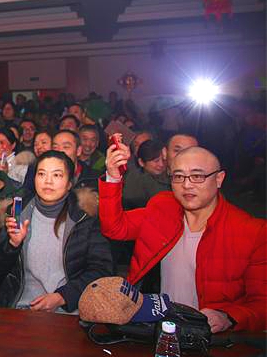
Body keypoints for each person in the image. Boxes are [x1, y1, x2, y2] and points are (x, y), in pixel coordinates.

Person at [100, 140, 266, 332]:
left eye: (197, 176)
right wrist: (113, 177)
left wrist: (228, 317)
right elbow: (115, 228)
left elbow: (262, 304)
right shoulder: (162, 207)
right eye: (178, 176)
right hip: (156, 327)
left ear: (219, 179)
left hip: (212, 337)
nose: (187, 185)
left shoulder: (252, 232)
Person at [0, 151, 112, 311]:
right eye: (41, 174)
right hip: (22, 309)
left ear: (69, 183)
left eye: (57, 175)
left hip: (68, 312)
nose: (48, 181)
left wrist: (63, 297)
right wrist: (12, 245)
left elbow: (102, 270)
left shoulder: (84, 218)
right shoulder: (17, 213)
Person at [122, 140, 169, 210]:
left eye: (164, 160)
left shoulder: (171, 175)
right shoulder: (134, 180)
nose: (161, 164)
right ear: (141, 162)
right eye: (156, 161)